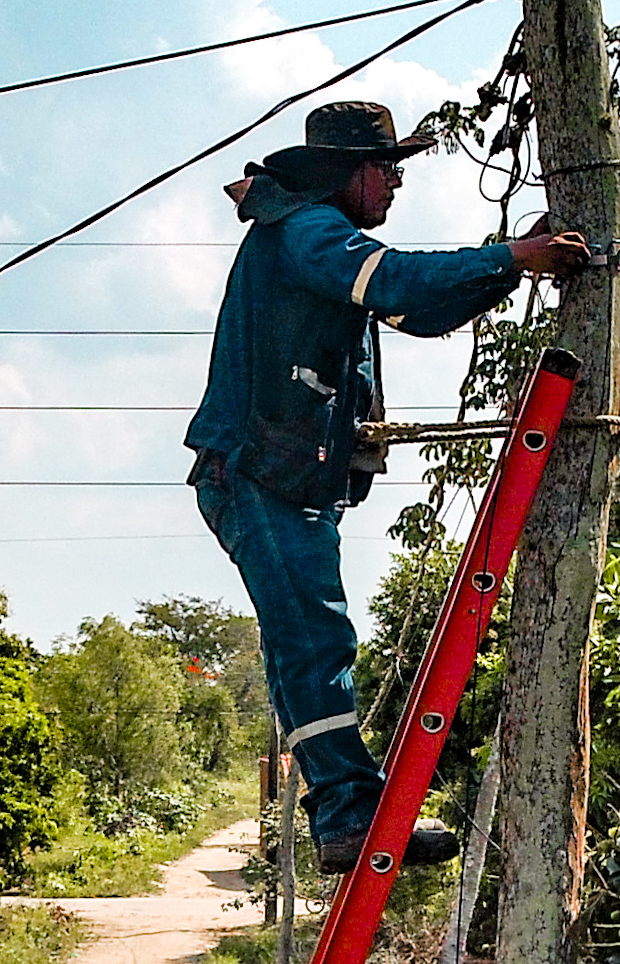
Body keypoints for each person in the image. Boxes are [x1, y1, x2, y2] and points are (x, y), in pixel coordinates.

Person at [186, 101, 588, 876]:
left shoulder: (319, 242)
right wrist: (510, 258)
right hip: (259, 471)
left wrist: (508, 262)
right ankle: (348, 814)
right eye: (388, 168)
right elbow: (396, 276)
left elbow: (418, 307)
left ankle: (345, 811)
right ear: (349, 172)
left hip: (283, 473)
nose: (396, 183)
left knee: (306, 644)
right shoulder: (308, 235)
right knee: (314, 641)